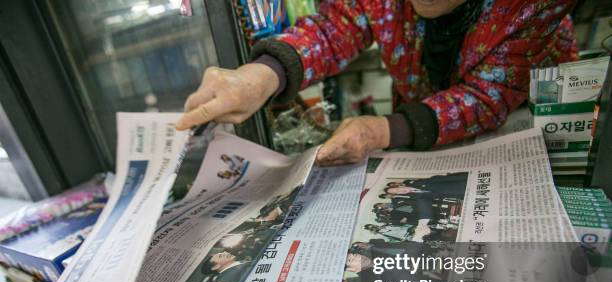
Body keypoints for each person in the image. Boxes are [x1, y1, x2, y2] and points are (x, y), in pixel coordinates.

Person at [176, 0, 577, 165]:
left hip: (528, 127)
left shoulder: (534, 9)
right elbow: (339, 24)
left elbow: (487, 98)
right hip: (421, 120)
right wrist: (263, 75)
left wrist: (385, 129)